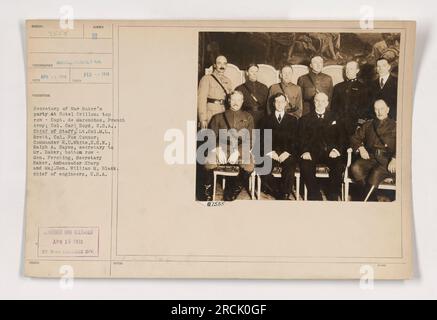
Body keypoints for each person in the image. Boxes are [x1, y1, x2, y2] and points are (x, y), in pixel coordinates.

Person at [203, 91, 254, 201]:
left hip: (239, 149)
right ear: (229, 101)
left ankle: (232, 190)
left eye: (239, 100)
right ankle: (207, 191)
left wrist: (238, 152)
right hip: (222, 147)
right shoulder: (218, 117)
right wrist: (217, 150)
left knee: (249, 165)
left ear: (242, 101)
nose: (236, 102)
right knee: (208, 162)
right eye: (233, 99)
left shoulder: (248, 117)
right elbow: (210, 137)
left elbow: (249, 140)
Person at [298, 92, 345, 201]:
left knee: (338, 165)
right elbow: (300, 138)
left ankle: (333, 194)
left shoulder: (336, 117)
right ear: (314, 102)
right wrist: (305, 151)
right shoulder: (305, 119)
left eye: (323, 101)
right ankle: (314, 194)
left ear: (327, 103)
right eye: (317, 101)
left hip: (330, 151)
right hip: (312, 152)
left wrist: (336, 150)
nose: (320, 103)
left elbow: (342, 137)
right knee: (305, 165)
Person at [350, 99, 396, 201]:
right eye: (376, 109)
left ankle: (366, 201)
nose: (379, 112)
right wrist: (361, 148)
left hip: (387, 160)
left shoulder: (395, 125)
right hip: (370, 158)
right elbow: (354, 138)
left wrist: (395, 158)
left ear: (387, 110)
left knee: (375, 173)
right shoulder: (368, 125)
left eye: (382, 109)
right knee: (355, 168)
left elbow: (403, 144)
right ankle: (371, 200)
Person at [261, 93, 299, 200]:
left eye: (282, 101)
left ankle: (285, 192)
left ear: (286, 103)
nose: (279, 104)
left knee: (290, 167)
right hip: (271, 153)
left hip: (287, 153)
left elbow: (296, 140)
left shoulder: (293, 120)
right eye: (277, 101)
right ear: (273, 103)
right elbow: (262, 139)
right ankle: (278, 192)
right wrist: (269, 152)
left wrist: (287, 152)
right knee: (263, 168)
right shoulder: (265, 120)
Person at [331, 61, 370, 138]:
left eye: (351, 69)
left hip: (355, 125)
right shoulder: (338, 87)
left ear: (357, 70)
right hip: (339, 125)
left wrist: (360, 124)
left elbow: (365, 108)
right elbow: (333, 107)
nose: (348, 71)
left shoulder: (363, 88)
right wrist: (334, 121)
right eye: (347, 69)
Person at [197, 55, 233, 129]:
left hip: (224, 113)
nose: (222, 66)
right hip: (211, 113)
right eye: (219, 63)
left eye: (224, 63)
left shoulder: (228, 81)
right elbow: (201, 100)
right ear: (215, 65)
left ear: (226, 66)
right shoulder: (206, 79)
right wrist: (203, 118)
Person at [235, 64, 268, 128]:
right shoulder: (240, 88)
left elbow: (267, 105)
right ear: (247, 73)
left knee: (264, 137)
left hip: (262, 117)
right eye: (252, 71)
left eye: (256, 71)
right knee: (248, 137)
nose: (254, 74)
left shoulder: (264, 87)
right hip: (246, 117)